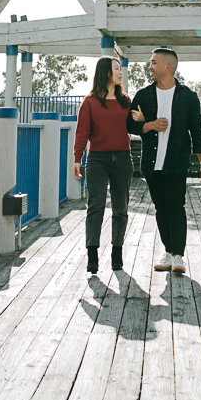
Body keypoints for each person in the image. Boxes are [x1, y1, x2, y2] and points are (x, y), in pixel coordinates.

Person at [129, 47, 201, 275]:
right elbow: (130, 125)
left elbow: (197, 132)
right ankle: (168, 252)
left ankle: (178, 256)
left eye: (154, 63)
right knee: (160, 208)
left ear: (168, 66)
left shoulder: (188, 97)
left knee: (175, 206)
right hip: (151, 164)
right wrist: (150, 124)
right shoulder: (143, 95)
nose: (149, 67)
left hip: (176, 162)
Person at [73, 55, 133, 273]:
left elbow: (136, 125)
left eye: (120, 69)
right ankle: (92, 256)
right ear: (105, 72)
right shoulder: (89, 103)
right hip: (97, 160)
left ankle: (117, 252)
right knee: (95, 206)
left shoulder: (126, 100)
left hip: (123, 159)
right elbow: (82, 133)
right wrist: (77, 159)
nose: (120, 72)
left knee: (121, 208)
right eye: (116, 68)